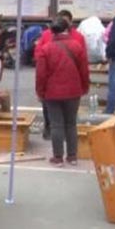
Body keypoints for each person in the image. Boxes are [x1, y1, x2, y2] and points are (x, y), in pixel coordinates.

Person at [36, 16, 90, 166]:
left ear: (52, 31)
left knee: (56, 125)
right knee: (71, 124)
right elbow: (84, 70)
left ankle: (58, 157)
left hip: (52, 92)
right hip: (73, 91)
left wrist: (40, 92)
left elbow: (40, 74)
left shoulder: (46, 49)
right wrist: (84, 87)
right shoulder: (77, 46)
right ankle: (72, 156)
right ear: (68, 29)